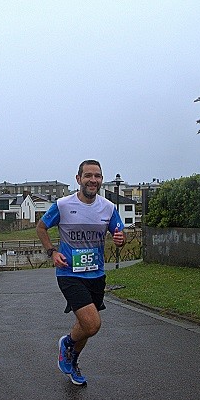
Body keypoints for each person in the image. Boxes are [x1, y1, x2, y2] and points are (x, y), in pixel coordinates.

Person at [36, 159, 125, 385]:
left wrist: (120, 239)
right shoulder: (63, 205)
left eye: (97, 176)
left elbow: (119, 234)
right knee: (93, 324)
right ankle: (67, 343)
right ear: (78, 179)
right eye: (88, 176)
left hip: (96, 274)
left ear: (101, 180)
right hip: (69, 274)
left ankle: (72, 360)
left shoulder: (108, 207)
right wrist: (52, 252)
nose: (93, 180)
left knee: (85, 325)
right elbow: (41, 227)